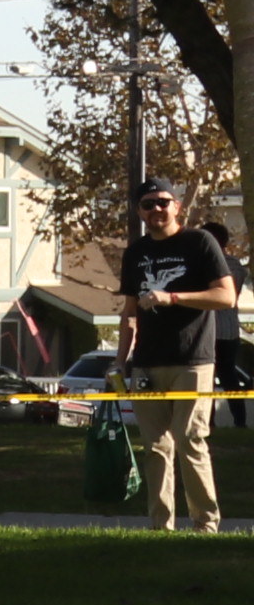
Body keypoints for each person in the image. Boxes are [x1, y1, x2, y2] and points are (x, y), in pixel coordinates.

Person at [118, 179, 230, 531]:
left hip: (192, 360)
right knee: (155, 447)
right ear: (139, 212)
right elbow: (129, 313)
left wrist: (173, 297)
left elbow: (226, 297)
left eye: (163, 202)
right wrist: (119, 362)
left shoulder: (200, 242)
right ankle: (161, 527)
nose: (156, 209)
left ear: (177, 206)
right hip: (147, 363)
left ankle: (205, 524)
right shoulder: (135, 253)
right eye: (147, 204)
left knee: (190, 439)